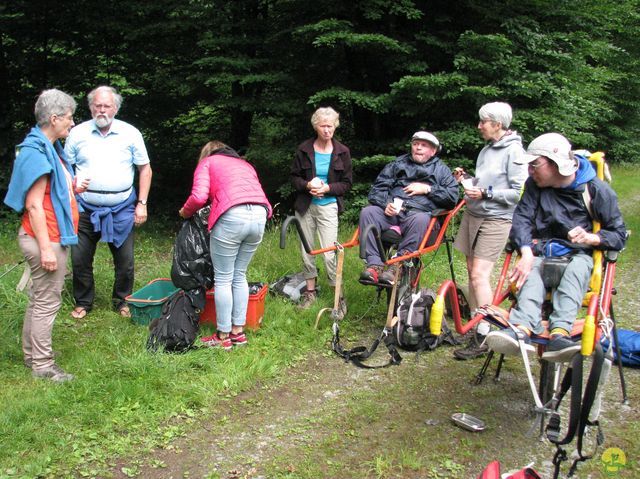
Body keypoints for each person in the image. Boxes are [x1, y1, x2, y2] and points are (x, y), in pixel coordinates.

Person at [485, 133, 626, 362]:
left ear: (556, 163)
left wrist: (592, 238)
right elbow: (521, 218)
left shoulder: (596, 190)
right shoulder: (535, 185)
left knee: (577, 271)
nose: (530, 170)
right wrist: (526, 252)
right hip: (539, 251)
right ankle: (521, 330)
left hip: (577, 254)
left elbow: (618, 234)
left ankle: (560, 334)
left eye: (535, 164)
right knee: (529, 273)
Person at [4, 89, 89, 382]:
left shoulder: (49, 148)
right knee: (47, 302)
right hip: (45, 237)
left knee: (38, 298)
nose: (72, 123)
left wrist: (72, 189)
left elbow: (51, 193)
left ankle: (31, 357)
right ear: (54, 118)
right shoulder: (37, 151)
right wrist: (47, 249)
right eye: (69, 117)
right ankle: (43, 366)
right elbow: (33, 204)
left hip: (50, 234)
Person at [64, 85, 153, 319]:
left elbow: (145, 169)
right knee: (80, 259)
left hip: (122, 206)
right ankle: (83, 302)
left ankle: (123, 301)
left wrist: (141, 203)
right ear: (90, 107)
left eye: (106, 106)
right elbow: (65, 166)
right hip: (85, 206)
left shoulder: (131, 133)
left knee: (125, 261)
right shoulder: (77, 133)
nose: (101, 110)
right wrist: (71, 189)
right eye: (97, 105)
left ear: (116, 108)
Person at [452, 102, 527, 360]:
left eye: (483, 122)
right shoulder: (486, 149)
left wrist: (485, 192)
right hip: (474, 215)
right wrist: (467, 179)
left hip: (496, 220)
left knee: (479, 276)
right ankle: (476, 326)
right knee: (471, 272)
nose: (479, 126)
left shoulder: (515, 152)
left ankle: (485, 333)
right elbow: (485, 183)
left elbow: (518, 193)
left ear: (498, 124)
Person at [179, 141, 272, 350]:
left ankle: (222, 336)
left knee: (223, 277)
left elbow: (199, 196)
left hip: (231, 216)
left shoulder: (208, 162)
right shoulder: (245, 165)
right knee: (240, 275)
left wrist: (184, 212)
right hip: (259, 216)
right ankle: (238, 332)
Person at [359, 131, 459, 283]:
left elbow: (452, 198)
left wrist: (427, 189)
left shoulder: (441, 170)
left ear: (433, 151)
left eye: (423, 145)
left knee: (420, 218)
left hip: (420, 215)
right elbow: (376, 190)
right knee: (368, 212)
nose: (418, 148)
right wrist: (385, 204)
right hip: (393, 212)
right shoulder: (397, 164)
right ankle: (374, 265)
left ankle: (399, 265)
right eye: (415, 144)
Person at [290, 107, 353, 311]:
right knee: (307, 251)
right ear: (316, 127)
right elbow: (294, 178)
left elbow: (346, 184)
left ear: (335, 126)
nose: (327, 130)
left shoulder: (342, 151)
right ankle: (310, 293)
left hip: (329, 206)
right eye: (323, 126)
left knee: (329, 253)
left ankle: (338, 297)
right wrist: (308, 186)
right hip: (305, 206)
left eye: (331, 126)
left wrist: (327, 188)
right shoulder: (304, 149)